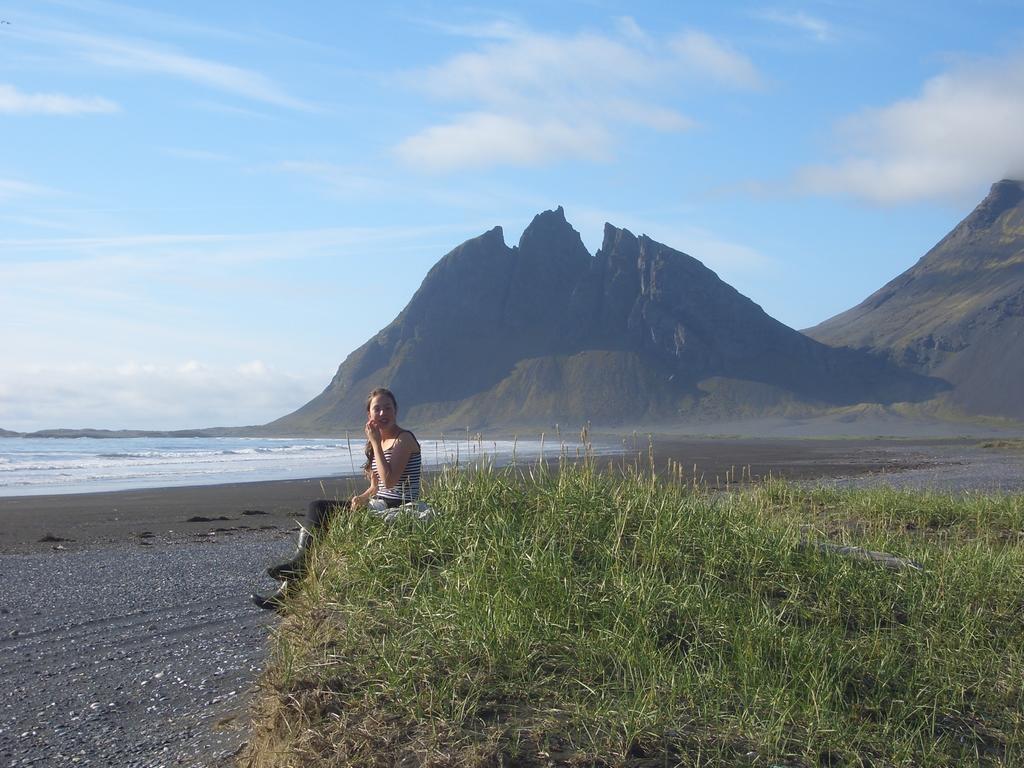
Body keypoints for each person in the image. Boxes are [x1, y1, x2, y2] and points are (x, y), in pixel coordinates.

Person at [253, 387, 421, 609]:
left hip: (400, 507)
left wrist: (376, 443)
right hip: (379, 503)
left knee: (320, 508)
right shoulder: (377, 441)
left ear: (396, 410)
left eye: (387, 408)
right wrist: (362, 497)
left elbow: (390, 481)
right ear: (369, 415)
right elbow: (376, 486)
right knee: (317, 514)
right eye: (376, 409)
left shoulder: (404, 439)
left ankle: (298, 571)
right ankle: (290, 587)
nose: (382, 414)